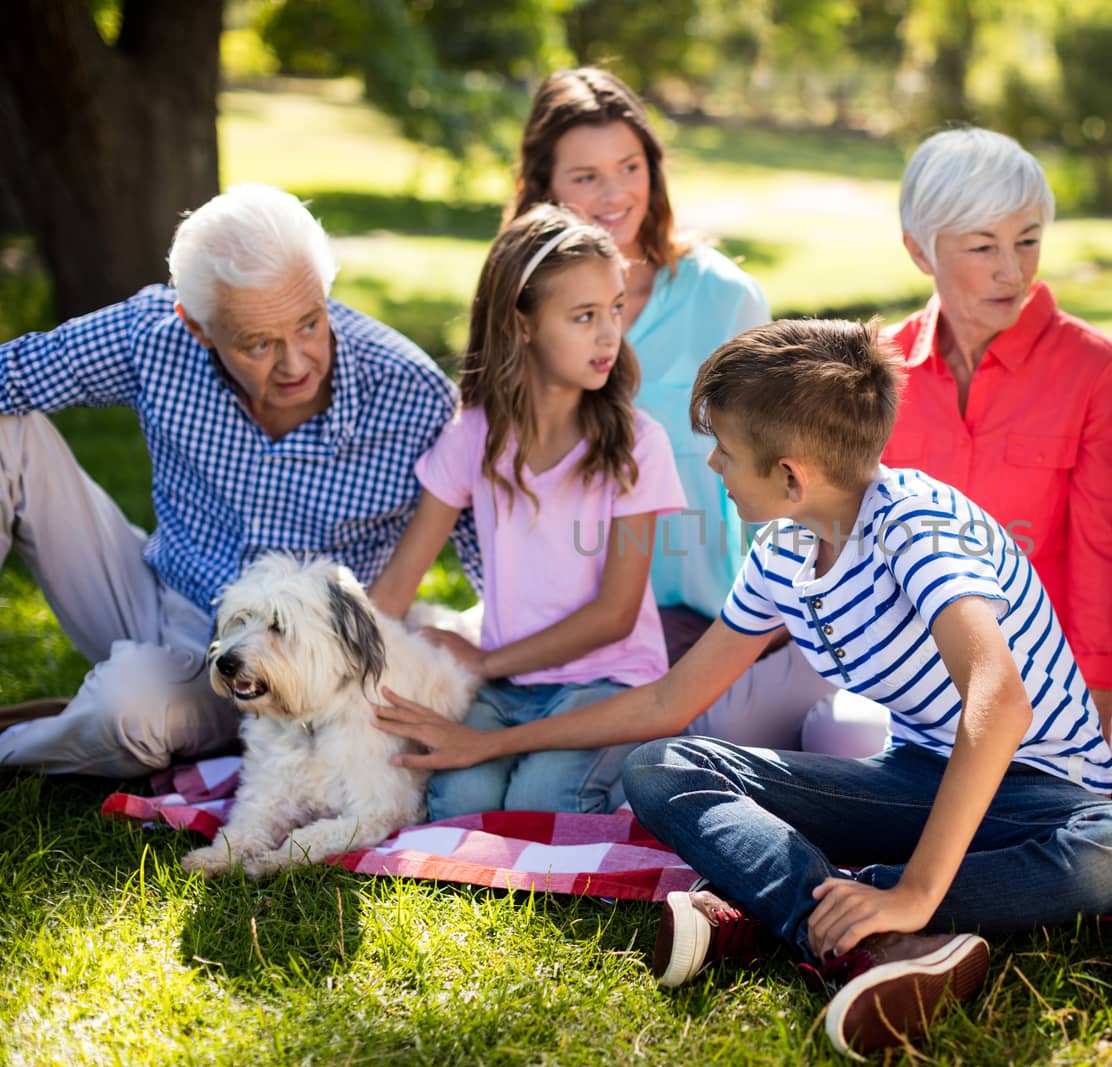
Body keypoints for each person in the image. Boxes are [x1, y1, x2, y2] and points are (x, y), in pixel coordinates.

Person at [374, 319, 1112, 1057]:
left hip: (1041, 798)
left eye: (721, 448)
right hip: (921, 783)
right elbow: (668, 702)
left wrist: (919, 888)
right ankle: (855, 933)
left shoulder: (918, 526)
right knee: (661, 765)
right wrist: (490, 741)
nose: (713, 465)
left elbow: (1001, 706)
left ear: (791, 475)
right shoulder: (787, 551)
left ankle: (824, 910)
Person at [0, 184, 470, 777]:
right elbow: (10, 374)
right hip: (154, 594)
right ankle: (84, 714)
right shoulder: (155, 336)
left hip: (284, 665)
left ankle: (28, 737)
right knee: (6, 435)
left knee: (129, 711)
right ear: (198, 328)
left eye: (309, 323)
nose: (295, 363)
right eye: (258, 343)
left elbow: (498, 545)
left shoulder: (410, 393)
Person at [506, 67, 834, 749]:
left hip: (701, 618)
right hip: (561, 616)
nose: (615, 193)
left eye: (629, 166)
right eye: (585, 176)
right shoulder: (524, 311)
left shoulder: (725, 299)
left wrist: (769, 618)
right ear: (544, 188)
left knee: (618, 764)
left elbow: (789, 477)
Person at [367, 205, 686, 817]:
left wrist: (485, 660)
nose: (608, 335)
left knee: (543, 802)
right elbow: (400, 582)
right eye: (584, 316)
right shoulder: (473, 437)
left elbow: (616, 615)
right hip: (509, 686)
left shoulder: (637, 444)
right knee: (461, 800)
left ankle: (640, 772)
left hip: (608, 681)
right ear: (522, 325)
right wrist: (341, 669)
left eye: (615, 309)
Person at [871, 127, 1112, 748]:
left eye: (1027, 241)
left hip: (1041, 689)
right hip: (902, 684)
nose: (1012, 271)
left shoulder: (1096, 370)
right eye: (984, 246)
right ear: (920, 250)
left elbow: (1108, 556)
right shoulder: (873, 369)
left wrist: (1091, 717)